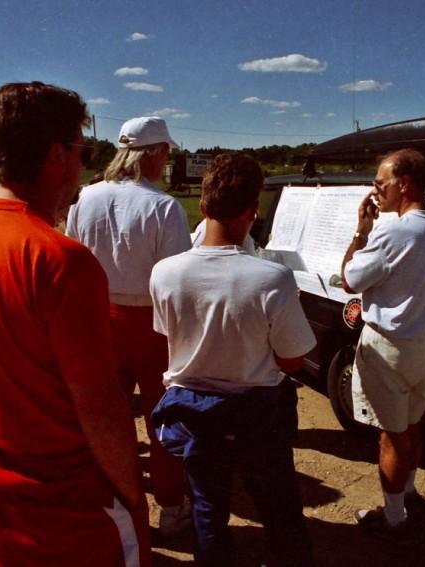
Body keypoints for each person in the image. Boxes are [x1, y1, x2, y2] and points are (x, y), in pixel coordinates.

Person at [0, 81, 150, 567]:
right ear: (56, 155)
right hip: (68, 501)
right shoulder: (61, 259)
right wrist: (133, 496)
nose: (85, 163)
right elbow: (101, 410)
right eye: (82, 149)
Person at [150, 154, 317, 566]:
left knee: (208, 505)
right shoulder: (272, 278)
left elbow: (169, 335)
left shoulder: (164, 273)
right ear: (253, 211)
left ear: (203, 207)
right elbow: (293, 361)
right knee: (278, 504)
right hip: (257, 412)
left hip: (194, 410)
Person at [66, 116, 193, 536]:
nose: (168, 159)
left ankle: (111, 500)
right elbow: (177, 278)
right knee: (163, 419)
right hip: (149, 321)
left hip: (98, 315)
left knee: (105, 416)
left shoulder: (86, 197)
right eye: (166, 152)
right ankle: (172, 506)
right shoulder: (163, 206)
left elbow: (72, 256)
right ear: (154, 154)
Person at [339, 148, 425, 537]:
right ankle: (407, 492)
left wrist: (361, 231)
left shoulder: (393, 231)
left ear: (404, 184)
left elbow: (350, 279)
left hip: (390, 345)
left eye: (381, 183)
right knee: (411, 425)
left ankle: (393, 519)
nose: (377, 191)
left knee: (391, 435)